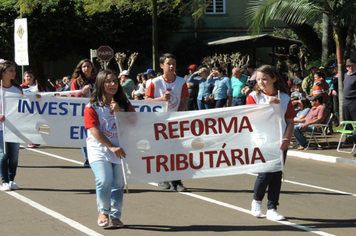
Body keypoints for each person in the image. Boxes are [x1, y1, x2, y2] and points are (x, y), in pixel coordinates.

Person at [84, 69, 135, 228]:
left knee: (118, 184)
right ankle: (103, 211)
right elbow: (94, 130)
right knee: (104, 180)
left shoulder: (125, 104)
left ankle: (116, 215)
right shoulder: (92, 106)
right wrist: (112, 147)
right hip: (99, 149)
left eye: (115, 81)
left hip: (121, 149)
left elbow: (133, 123)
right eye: (108, 81)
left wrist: (119, 112)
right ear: (100, 84)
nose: (112, 84)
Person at [247, 65, 295, 221]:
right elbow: (250, 119)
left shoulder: (285, 98)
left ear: (274, 79)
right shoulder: (254, 96)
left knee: (276, 175)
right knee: (265, 174)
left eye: (265, 79)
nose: (261, 82)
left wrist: (287, 138)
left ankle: (272, 208)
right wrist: (268, 105)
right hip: (262, 141)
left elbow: (290, 122)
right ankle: (256, 201)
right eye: (259, 79)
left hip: (280, 141)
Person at [145, 53, 189, 192]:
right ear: (161, 65)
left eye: (174, 64)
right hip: (158, 122)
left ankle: (176, 181)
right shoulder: (155, 82)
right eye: (169, 63)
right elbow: (147, 100)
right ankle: (162, 177)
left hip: (174, 122)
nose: (171, 66)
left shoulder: (181, 82)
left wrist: (176, 117)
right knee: (161, 151)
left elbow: (183, 102)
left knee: (176, 151)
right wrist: (162, 100)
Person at [0, 61, 23, 191]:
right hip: (1, 128)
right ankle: (4, 181)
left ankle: (11, 179)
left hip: (15, 127)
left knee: (14, 156)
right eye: (11, 70)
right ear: (3, 73)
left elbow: (26, 106)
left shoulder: (17, 89)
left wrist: (37, 99)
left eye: (14, 70)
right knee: (3, 155)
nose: (14, 73)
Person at [71, 59, 97, 167]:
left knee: (96, 132)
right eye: (84, 67)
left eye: (88, 66)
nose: (86, 68)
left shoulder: (98, 79)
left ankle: (96, 157)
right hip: (82, 112)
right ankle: (87, 158)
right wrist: (82, 91)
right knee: (84, 135)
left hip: (97, 109)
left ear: (92, 68)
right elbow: (71, 95)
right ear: (80, 68)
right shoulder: (76, 81)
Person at [20, 70, 43, 148]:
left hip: (37, 108)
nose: (29, 78)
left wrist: (40, 96)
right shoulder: (21, 87)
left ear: (33, 77)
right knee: (29, 125)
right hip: (27, 109)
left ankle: (35, 140)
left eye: (30, 76)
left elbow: (44, 95)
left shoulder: (38, 86)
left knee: (37, 125)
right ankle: (30, 141)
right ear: (24, 77)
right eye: (27, 76)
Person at [342, 58, 356, 143]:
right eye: (349, 66)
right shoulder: (345, 75)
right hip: (345, 100)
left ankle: (354, 138)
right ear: (346, 67)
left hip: (354, 100)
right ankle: (349, 137)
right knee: (346, 120)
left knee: (355, 120)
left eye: (352, 65)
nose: (351, 67)